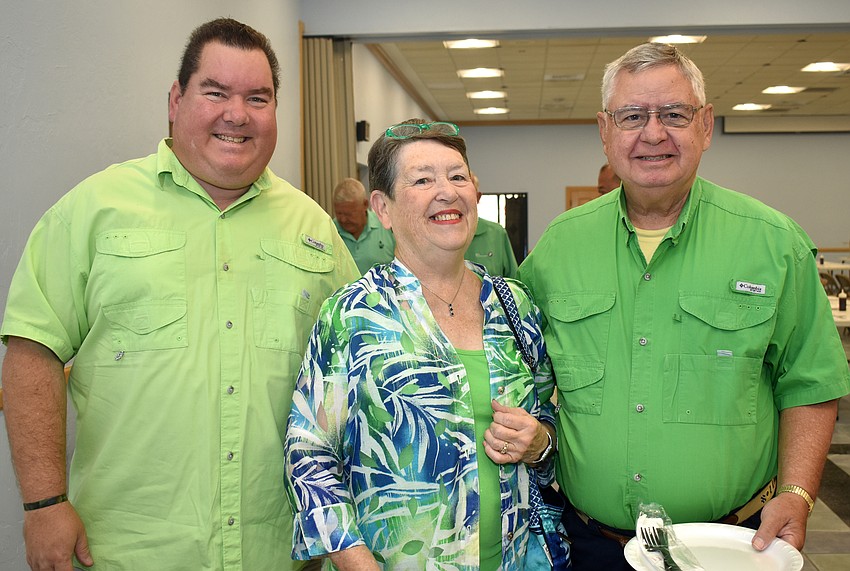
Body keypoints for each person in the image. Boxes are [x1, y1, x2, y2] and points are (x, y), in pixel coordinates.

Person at [0, 18, 358, 571]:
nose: (236, 114)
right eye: (215, 92)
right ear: (175, 100)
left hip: (279, 551)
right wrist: (44, 503)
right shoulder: (93, 211)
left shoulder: (314, 230)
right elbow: (32, 352)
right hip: (127, 552)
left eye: (257, 98)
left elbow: (358, 371)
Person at [517, 42, 850, 570]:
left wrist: (797, 492)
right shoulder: (558, 248)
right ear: (605, 131)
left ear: (706, 125)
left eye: (674, 114)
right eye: (632, 116)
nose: (653, 134)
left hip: (732, 546)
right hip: (590, 546)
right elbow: (519, 374)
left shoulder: (774, 244)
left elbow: (810, 382)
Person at [284, 119, 557, 570]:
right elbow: (309, 453)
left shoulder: (515, 305)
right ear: (383, 208)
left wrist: (540, 442)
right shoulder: (353, 315)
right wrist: (355, 562)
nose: (447, 192)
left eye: (457, 176)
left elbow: (549, 419)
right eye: (423, 180)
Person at [332, 177, 396, 274]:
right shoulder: (330, 231)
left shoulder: (387, 226)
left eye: (349, 214)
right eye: (339, 213)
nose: (343, 219)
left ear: (365, 204)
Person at [464, 172, 519, 277]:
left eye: (467, 193)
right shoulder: (438, 232)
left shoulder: (497, 233)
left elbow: (513, 279)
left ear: (478, 197)